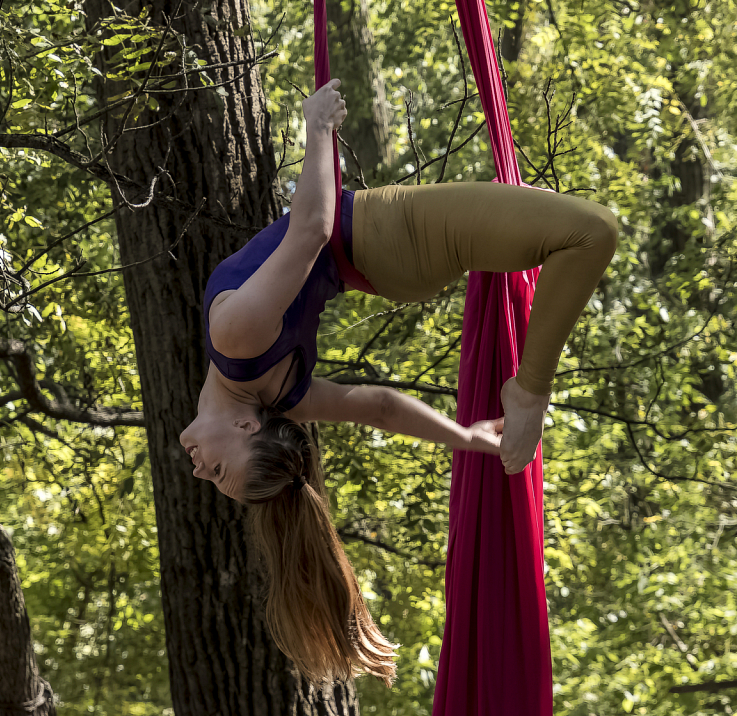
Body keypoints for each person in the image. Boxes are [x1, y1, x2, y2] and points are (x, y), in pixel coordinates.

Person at [178, 79, 618, 686]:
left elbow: (381, 407)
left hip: (389, 255)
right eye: (220, 473)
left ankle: (528, 388)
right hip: (391, 233)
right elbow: (309, 230)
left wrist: (469, 440)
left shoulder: (283, 395)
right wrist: (315, 128)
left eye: (213, 478)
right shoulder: (236, 340)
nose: (201, 472)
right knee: (592, 232)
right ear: (247, 428)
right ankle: (530, 389)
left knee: (564, 225)